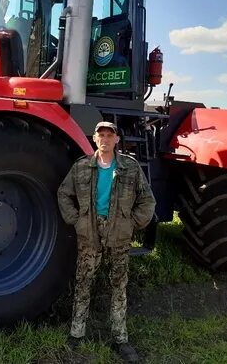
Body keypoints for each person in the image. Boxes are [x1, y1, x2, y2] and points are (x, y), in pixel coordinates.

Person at [57, 121, 156, 362]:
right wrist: (76, 220)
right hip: (89, 232)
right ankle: (77, 333)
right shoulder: (81, 167)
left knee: (119, 286)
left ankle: (120, 339)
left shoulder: (129, 168)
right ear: (94, 138)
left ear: (117, 140)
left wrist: (132, 223)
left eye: (109, 135)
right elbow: (64, 193)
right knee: (83, 282)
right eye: (101, 135)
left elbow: (147, 200)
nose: (105, 139)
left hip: (119, 234)